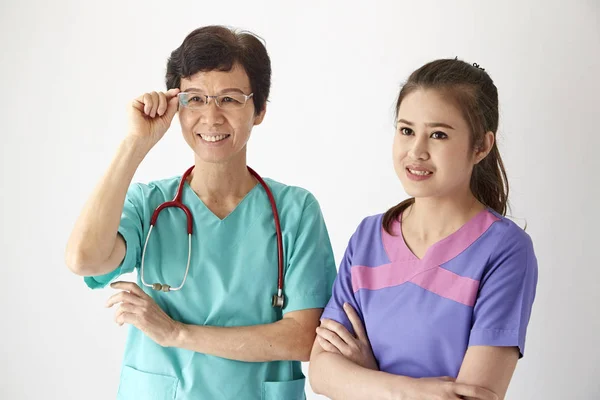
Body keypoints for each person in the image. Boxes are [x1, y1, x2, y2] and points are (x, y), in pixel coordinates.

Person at [65, 25, 336, 400]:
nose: (210, 117)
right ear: (177, 106)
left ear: (259, 110)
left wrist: (176, 332)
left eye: (229, 98)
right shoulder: (151, 205)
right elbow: (84, 259)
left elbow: (304, 337)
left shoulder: (295, 211)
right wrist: (134, 144)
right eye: (195, 99)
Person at [309, 59, 538, 400]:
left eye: (438, 134)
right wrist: (410, 391)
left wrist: (365, 378)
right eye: (406, 131)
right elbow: (322, 372)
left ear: (481, 147)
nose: (416, 151)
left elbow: (472, 396)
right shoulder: (369, 236)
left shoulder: (504, 250)